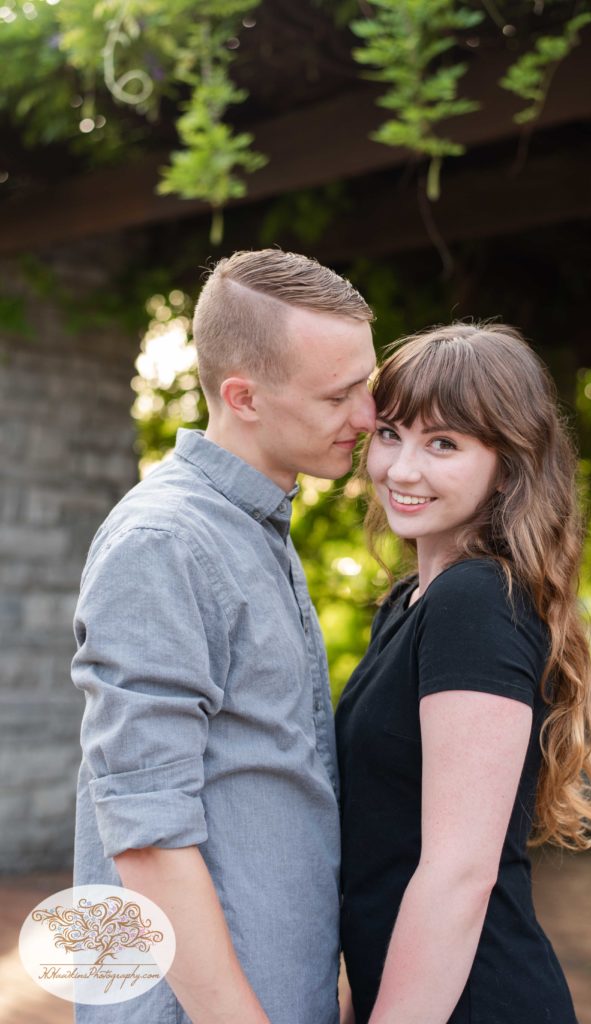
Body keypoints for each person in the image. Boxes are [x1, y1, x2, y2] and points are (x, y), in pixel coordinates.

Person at [71, 249, 377, 1024]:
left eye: (366, 384)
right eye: (340, 394)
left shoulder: (254, 529)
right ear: (243, 396)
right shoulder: (166, 541)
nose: (369, 417)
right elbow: (146, 833)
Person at [336, 322, 591, 1024]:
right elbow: (390, 852)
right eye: (391, 434)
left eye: (444, 444)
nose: (402, 470)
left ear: (508, 463)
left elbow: (460, 876)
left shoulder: (476, 603)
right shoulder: (411, 604)